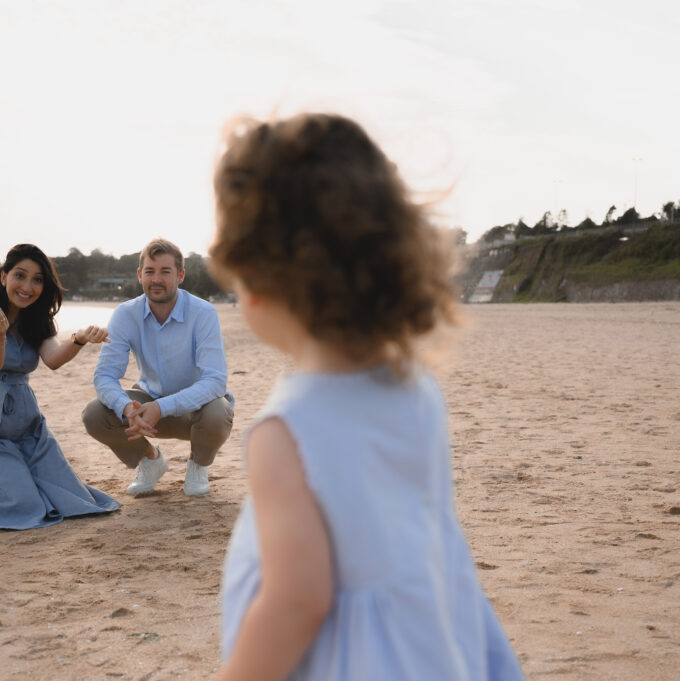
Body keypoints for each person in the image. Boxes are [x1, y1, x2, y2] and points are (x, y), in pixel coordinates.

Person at [211, 114, 524, 680]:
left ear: (258, 279)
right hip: (433, 641)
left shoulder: (286, 431)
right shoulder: (415, 388)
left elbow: (297, 601)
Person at [0, 243, 120, 530]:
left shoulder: (37, 319)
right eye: (20, 276)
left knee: (70, 499)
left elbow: (53, 359)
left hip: (22, 422)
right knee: (22, 506)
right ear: (3, 276)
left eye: (37, 280)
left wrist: (80, 339)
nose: (27, 286)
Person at [82, 238, 234, 497]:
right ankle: (150, 460)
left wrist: (162, 407)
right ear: (140, 275)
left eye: (166, 271)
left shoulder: (203, 313)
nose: (157, 279)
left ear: (181, 275)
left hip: (197, 412)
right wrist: (126, 406)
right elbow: (105, 375)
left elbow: (215, 381)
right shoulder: (124, 314)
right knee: (95, 414)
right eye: (150, 272)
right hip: (146, 404)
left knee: (219, 409)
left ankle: (198, 463)